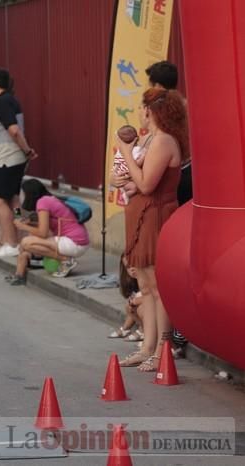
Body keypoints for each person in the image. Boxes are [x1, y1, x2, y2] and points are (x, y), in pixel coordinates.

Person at [115, 87, 188, 371]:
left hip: (156, 215)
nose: (139, 114)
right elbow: (139, 182)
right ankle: (147, 346)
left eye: (141, 108)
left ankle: (162, 349)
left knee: (158, 287)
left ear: (151, 110)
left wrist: (124, 152)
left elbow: (147, 184)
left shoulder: (164, 141)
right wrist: (124, 178)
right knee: (144, 285)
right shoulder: (150, 140)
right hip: (141, 213)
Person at [0, 69, 37, 259]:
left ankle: (10, 242)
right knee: (13, 200)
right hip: (12, 158)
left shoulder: (3, 102)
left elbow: (13, 130)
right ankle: (19, 237)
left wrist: (27, 149)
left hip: (6, 160)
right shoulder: (11, 100)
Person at [7, 179, 90, 285]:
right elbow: (45, 226)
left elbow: (43, 233)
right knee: (25, 245)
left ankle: (66, 260)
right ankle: (19, 275)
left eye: (24, 194)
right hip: (76, 240)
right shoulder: (47, 200)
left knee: (26, 242)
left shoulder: (43, 202)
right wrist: (28, 223)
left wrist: (23, 226)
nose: (23, 196)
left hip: (74, 242)